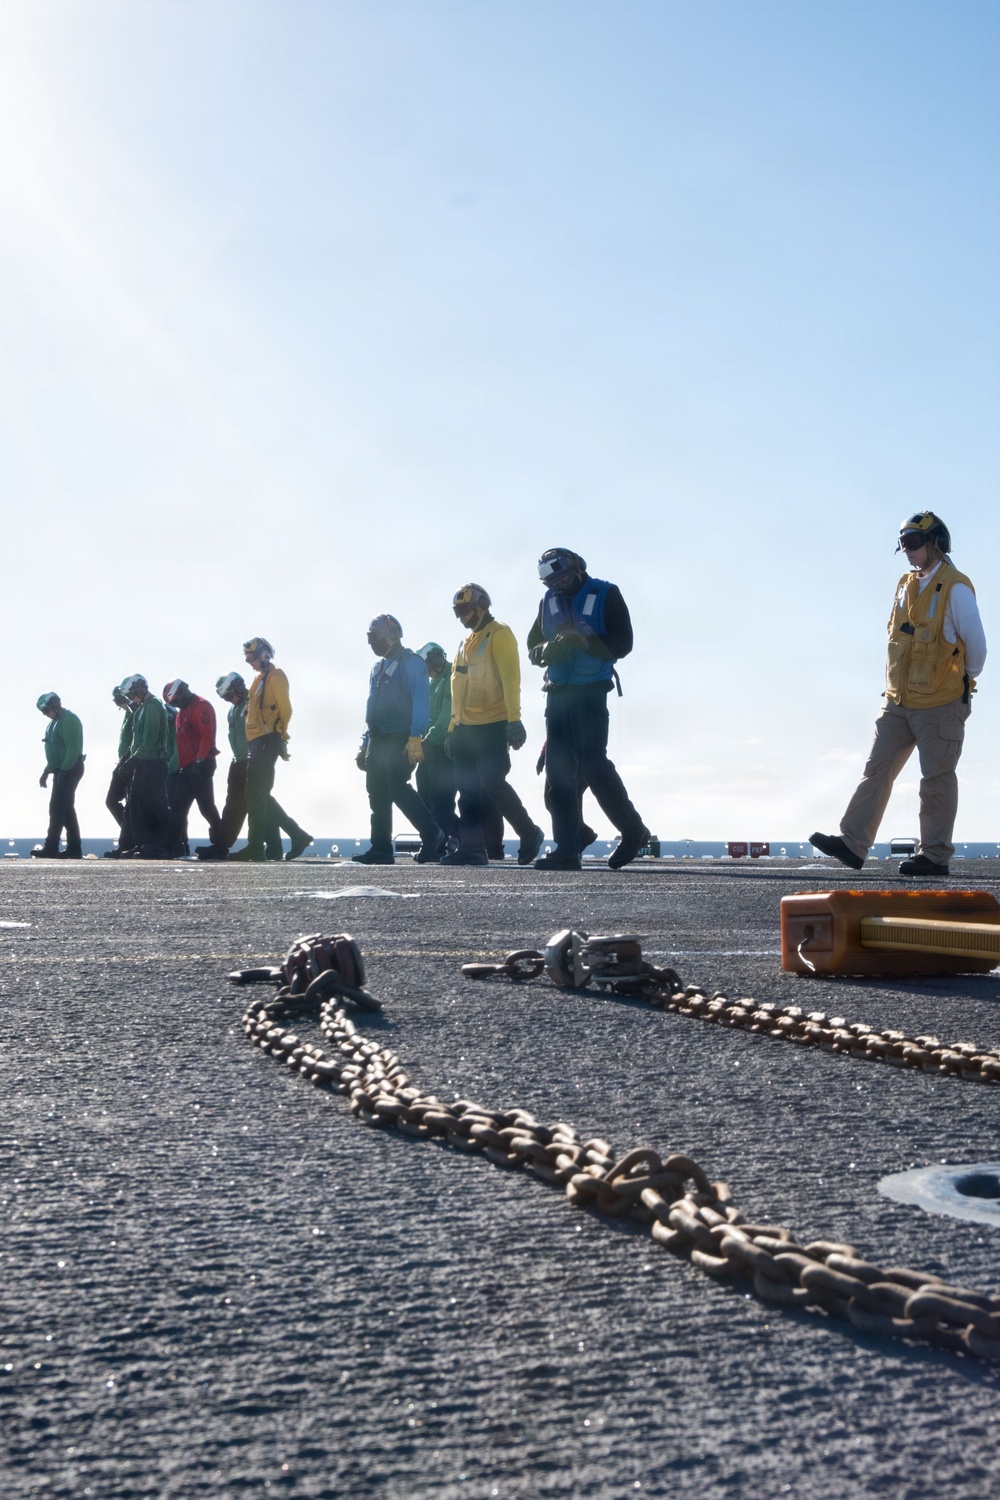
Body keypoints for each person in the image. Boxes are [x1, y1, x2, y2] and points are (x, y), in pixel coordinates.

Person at [810, 511, 986, 878]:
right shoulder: (906, 584)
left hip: (941, 702)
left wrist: (962, 685)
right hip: (898, 700)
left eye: (913, 543)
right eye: (903, 543)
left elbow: (978, 647)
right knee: (876, 770)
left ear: (936, 544)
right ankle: (853, 842)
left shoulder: (955, 587)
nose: (906, 550)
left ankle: (935, 856)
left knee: (936, 779)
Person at [527, 549, 649, 870]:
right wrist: (548, 650)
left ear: (577, 569)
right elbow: (531, 649)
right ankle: (567, 849)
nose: (559, 586)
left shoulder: (606, 594)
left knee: (594, 766)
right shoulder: (548, 603)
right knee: (558, 774)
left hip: (591, 694)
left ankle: (633, 831)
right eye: (552, 582)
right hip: (557, 697)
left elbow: (624, 643)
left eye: (564, 578)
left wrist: (585, 642)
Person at [443, 584, 543, 867]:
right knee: (468, 791)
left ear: (481, 606)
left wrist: (515, 720)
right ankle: (472, 849)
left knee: (492, 784)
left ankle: (529, 833)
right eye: (457, 613)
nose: (461, 617)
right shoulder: (464, 643)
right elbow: (457, 687)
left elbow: (511, 680)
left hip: (493, 724)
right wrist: (452, 727)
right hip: (465, 728)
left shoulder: (500, 634)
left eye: (464, 610)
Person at [354, 616, 445, 866]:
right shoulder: (377, 668)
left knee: (397, 786)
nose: (373, 644)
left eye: (376, 638)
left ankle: (433, 834)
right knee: (376, 792)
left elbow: (421, 701)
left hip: (400, 737)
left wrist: (415, 736)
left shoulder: (412, 664)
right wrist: (364, 744)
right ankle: (381, 848)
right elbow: (370, 706)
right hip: (378, 738)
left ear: (392, 635)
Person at [199, 672, 312, 861]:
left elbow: (272, 724)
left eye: (229, 694)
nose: (228, 700)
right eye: (224, 697)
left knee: (259, 802)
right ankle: (276, 847)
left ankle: (296, 836)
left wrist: (278, 745)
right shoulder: (233, 711)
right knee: (257, 803)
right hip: (239, 761)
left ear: (238, 686)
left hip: (256, 758)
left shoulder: (255, 704)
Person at [233, 637, 312, 863]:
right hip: (258, 741)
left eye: (252, 657)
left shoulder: (276, 677)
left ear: (265, 655)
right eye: (247, 658)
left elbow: (286, 709)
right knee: (260, 795)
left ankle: (256, 847)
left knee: (254, 794)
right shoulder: (258, 679)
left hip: (268, 740)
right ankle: (295, 836)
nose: (250, 662)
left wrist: (282, 735)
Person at [163, 680, 226, 857]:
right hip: (188, 767)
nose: (175, 705)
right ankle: (172, 846)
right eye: (172, 703)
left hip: (201, 764)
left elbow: (207, 736)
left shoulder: (201, 706)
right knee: (178, 807)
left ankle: (220, 846)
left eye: (175, 701)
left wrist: (199, 761)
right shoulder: (182, 712)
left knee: (206, 806)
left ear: (183, 691)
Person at [118, 675, 171, 859]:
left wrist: (135, 758)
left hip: (153, 763)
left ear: (140, 689)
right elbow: (136, 739)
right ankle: (143, 843)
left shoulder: (153, 706)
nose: (131, 698)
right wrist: (128, 757)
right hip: (142, 762)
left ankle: (156, 844)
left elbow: (149, 739)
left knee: (151, 806)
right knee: (135, 805)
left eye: (132, 693)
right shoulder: (141, 709)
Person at [415, 642, 460, 850]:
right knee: (424, 801)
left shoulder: (452, 678)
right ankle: (436, 843)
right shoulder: (431, 684)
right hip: (428, 747)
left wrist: (429, 739)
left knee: (441, 804)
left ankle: (465, 842)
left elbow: (446, 715)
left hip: (443, 748)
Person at [33, 693, 85, 859]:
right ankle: (74, 848)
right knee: (66, 809)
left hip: (70, 769)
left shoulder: (69, 720)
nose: (46, 713)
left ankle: (51, 847)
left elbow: (72, 748)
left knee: (56, 807)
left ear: (55, 705)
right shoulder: (53, 724)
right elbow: (55, 752)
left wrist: (64, 771)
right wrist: (46, 771)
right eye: (43, 711)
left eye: (47, 709)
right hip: (60, 769)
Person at [104, 687, 136, 858]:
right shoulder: (128, 714)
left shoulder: (136, 712)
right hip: (123, 761)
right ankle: (130, 836)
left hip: (132, 761)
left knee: (131, 805)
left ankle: (128, 841)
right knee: (112, 800)